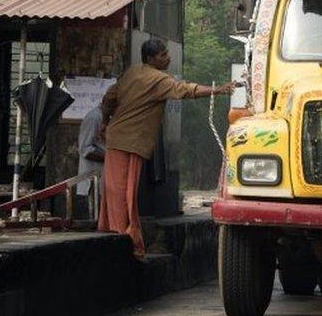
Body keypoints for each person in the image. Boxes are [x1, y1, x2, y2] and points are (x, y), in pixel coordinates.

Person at [98, 38, 234, 257]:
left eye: (167, 53)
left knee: (115, 190)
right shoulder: (158, 79)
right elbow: (187, 90)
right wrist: (219, 90)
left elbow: (108, 99)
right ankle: (126, 235)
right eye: (163, 55)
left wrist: (105, 121)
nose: (168, 58)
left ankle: (113, 229)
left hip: (117, 138)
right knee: (125, 192)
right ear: (151, 58)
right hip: (130, 141)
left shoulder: (132, 73)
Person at [75, 105, 105, 199]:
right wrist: (111, 158)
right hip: (93, 181)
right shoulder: (94, 117)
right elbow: (85, 150)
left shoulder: (107, 117)